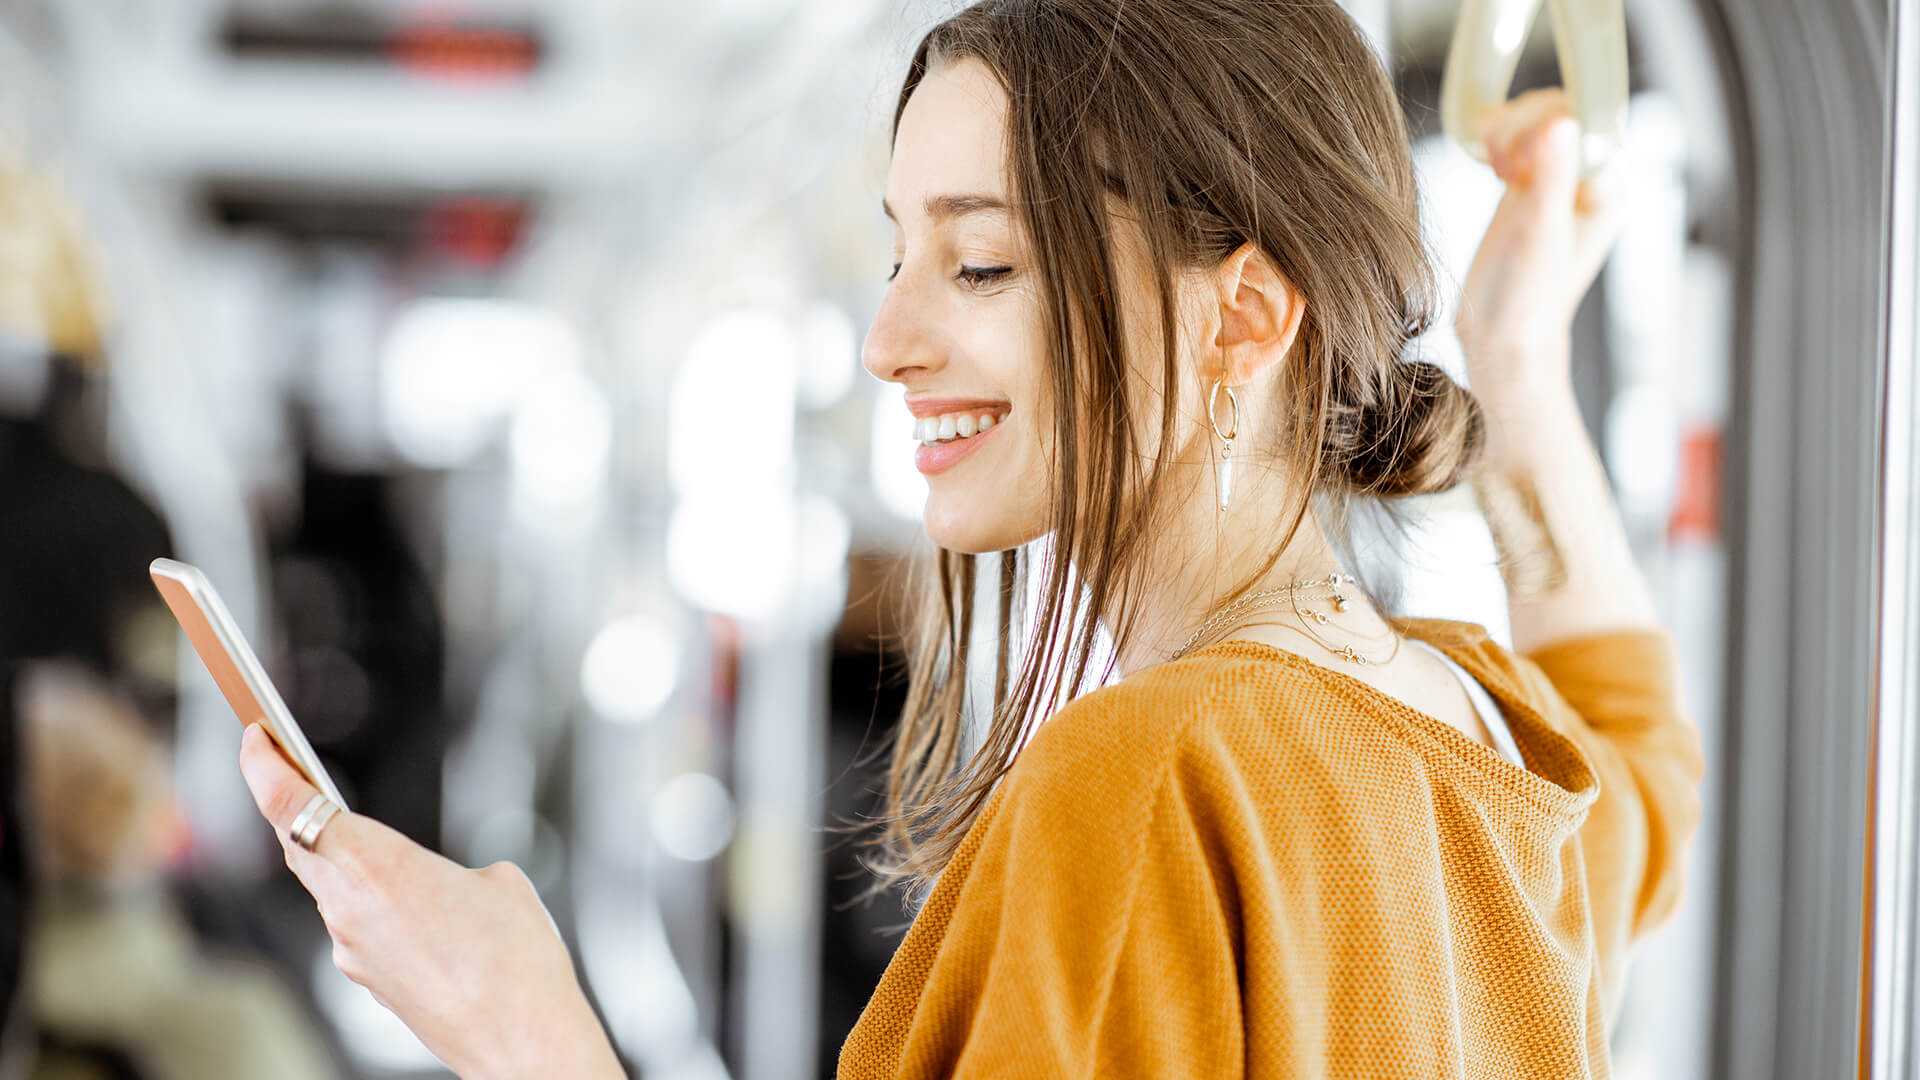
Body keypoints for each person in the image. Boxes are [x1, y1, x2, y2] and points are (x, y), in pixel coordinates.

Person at [236, 1, 1706, 1076]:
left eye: (981, 261)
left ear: (1244, 317)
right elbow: (1646, 763)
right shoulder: (1483, 739)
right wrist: (1516, 366)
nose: (888, 338)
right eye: (897, 252)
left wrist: (520, 1029)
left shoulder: (1144, 786)